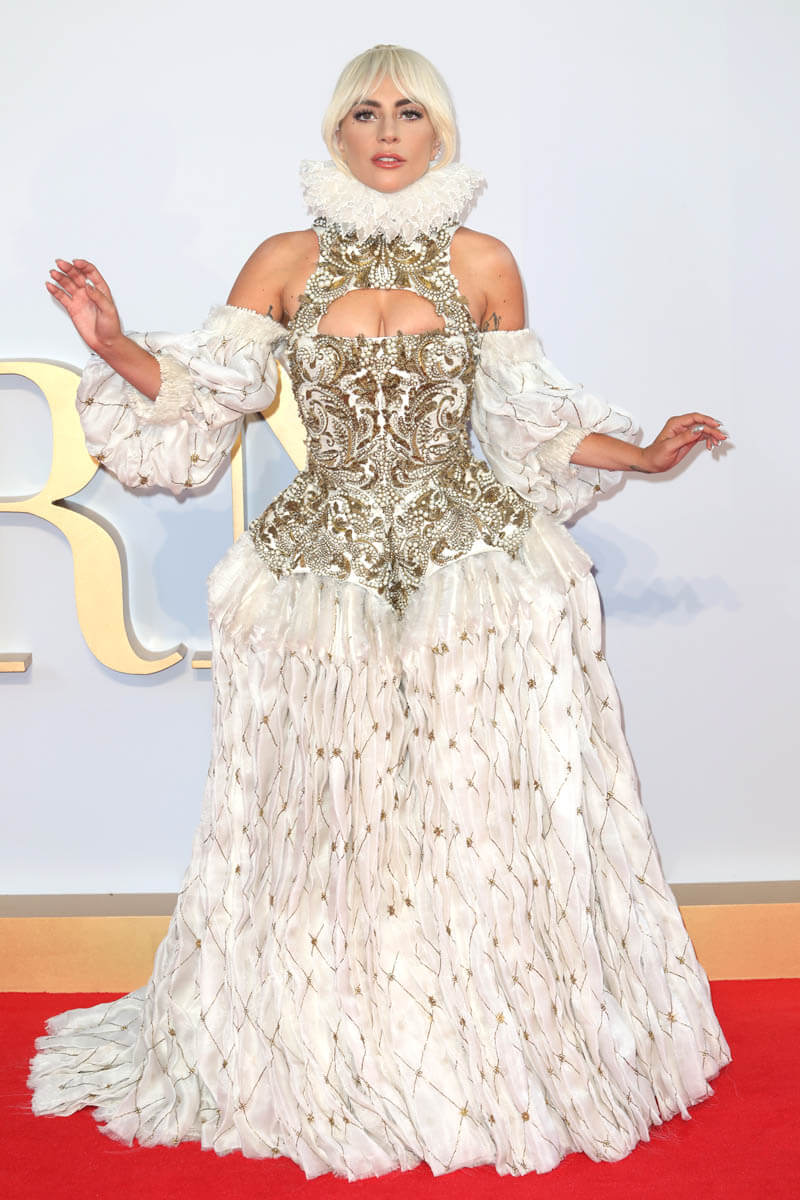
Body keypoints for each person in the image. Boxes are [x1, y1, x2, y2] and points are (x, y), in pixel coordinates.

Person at [29, 43, 731, 1182]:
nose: (388, 130)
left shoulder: (483, 261)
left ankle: (480, 1042)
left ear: (439, 130)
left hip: (469, 577)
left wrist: (646, 456)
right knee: (326, 813)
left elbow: (526, 426)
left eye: (409, 110)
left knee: (471, 808)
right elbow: (210, 393)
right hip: (322, 579)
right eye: (365, 111)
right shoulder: (286, 259)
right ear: (336, 131)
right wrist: (110, 344)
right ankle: (329, 1040)